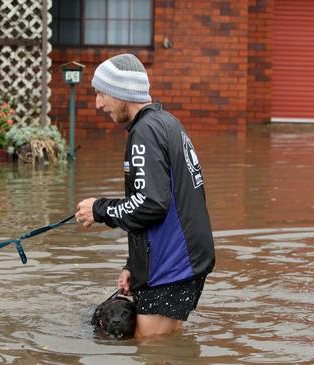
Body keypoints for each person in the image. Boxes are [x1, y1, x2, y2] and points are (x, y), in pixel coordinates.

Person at [74, 53, 215, 338]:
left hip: (172, 265)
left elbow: (151, 204)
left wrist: (99, 209)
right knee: (171, 345)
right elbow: (164, 200)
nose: (98, 104)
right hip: (184, 260)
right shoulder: (166, 122)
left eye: (102, 94)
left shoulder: (145, 132)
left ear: (122, 93)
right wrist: (134, 267)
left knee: (150, 349)